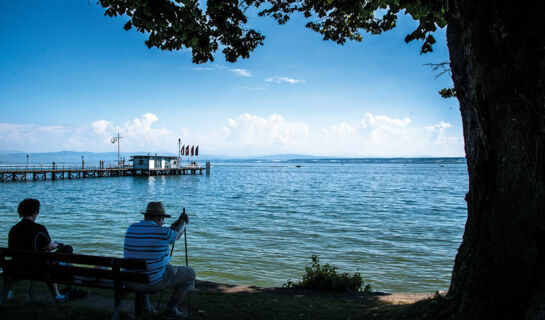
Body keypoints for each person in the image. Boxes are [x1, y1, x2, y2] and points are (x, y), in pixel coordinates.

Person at [124, 202, 195, 319]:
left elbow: (165, 233)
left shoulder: (131, 229)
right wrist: (183, 222)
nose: (163, 224)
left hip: (131, 280)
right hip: (152, 283)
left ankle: (146, 307)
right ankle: (170, 309)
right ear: (160, 217)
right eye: (162, 220)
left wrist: (175, 225)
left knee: (145, 268)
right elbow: (176, 235)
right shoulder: (162, 232)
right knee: (190, 274)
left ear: (146, 216)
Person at [8, 198, 68, 303]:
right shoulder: (39, 228)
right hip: (37, 268)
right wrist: (57, 245)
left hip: (17, 266)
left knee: (45, 259)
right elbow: (50, 247)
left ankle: (59, 294)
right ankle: (59, 294)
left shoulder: (14, 229)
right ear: (35, 212)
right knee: (67, 249)